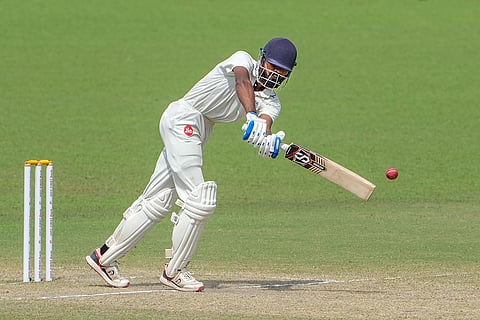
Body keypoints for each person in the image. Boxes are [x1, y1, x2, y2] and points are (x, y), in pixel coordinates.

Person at [85, 37, 298, 292]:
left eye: (281, 71)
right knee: (201, 199)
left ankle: (103, 257)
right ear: (262, 59)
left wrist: (265, 137)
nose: (275, 73)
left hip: (201, 129)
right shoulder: (242, 60)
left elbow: (265, 121)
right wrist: (251, 115)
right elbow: (242, 82)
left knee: (159, 199)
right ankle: (175, 271)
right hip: (184, 117)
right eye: (272, 65)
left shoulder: (272, 102)